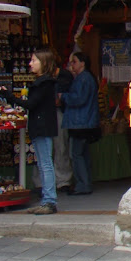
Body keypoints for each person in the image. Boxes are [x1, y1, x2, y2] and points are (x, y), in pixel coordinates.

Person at [0, 48, 58, 214]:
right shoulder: (44, 83)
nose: (30, 63)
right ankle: (47, 199)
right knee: (43, 163)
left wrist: (9, 96)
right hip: (40, 126)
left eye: (33, 60)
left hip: (42, 127)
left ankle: (50, 200)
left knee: (45, 163)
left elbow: (31, 104)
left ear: (43, 63)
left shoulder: (44, 84)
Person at [59, 52, 100, 196]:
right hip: (83, 121)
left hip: (80, 122)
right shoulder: (85, 78)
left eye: (74, 62)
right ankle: (85, 182)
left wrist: (63, 96)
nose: (72, 65)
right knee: (82, 153)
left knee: (76, 154)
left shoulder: (84, 79)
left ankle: (83, 184)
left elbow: (79, 99)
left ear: (82, 63)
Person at [53, 62, 74, 192]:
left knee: (61, 147)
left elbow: (59, 100)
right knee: (47, 150)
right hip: (47, 113)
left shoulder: (64, 77)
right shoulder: (40, 77)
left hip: (58, 113)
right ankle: (46, 182)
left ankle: (63, 181)